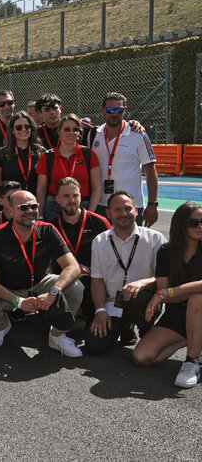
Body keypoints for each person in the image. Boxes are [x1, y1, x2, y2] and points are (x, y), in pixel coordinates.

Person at [0, 190, 84, 357]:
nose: (30, 211)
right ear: (11, 211)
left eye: (34, 206)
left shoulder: (48, 230)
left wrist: (53, 292)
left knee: (76, 286)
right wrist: (19, 302)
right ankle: (2, 326)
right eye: (23, 207)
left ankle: (57, 335)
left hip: (40, 284)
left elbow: (73, 267)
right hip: (8, 289)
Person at [84, 190, 164, 355]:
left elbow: (165, 279)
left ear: (136, 209)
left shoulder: (156, 239)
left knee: (137, 297)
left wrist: (143, 282)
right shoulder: (99, 241)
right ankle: (125, 327)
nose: (124, 214)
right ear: (108, 213)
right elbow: (97, 280)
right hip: (113, 302)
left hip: (144, 301)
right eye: (117, 210)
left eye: (128, 209)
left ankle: (145, 330)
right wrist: (100, 310)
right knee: (94, 346)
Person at [136, 202, 202, 388]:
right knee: (141, 357)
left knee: (198, 297)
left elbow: (166, 293)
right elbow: (168, 298)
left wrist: (166, 292)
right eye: (194, 223)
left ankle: (192, 361)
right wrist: (165, 294)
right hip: (177, 315)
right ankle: (192, 338)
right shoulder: (166, 252)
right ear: (181, 224)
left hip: (200, 311)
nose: (200, 226)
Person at [91, 92, 158, 227]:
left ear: (125, 110)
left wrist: (152, 204)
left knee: (132, 246)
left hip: (130, 206)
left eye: (119, 110)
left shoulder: (138, 135)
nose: (114, 114)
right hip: (102, 205)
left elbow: (151, 172)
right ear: (102, 111)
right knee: (104, 246)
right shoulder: (93, 134)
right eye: (110, 110)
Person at [47, 177, 111, 320]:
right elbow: (47, 263)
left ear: (81, 196)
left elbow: (112, 257)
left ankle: (90, 317)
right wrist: (73, 268)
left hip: (94, 277)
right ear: (57, 199)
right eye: (66, 196)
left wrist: (92, 270)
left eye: (75, 195)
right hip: (62, 279)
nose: (72, 200)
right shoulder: (51, 227)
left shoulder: (99, 223)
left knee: (86, 281)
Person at [35, 114, 101, 221]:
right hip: (53, 206)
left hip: (82, 204)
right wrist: (40, 215)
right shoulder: (47, 156)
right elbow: (41, 189)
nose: (71, 132)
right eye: (67, 129)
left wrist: (90, 213)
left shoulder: (88, 154)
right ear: (59, 132)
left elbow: (96, 187)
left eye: (75, 129)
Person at [0, 111, 42, 211]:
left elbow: (42, 186)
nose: (23, 130)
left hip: (32, 205)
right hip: (10, 206)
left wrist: (41, 212)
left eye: (27, 126)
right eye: (19, 127)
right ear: (12, 131)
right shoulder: (2, 153)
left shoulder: (41, 152)